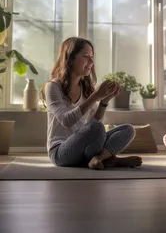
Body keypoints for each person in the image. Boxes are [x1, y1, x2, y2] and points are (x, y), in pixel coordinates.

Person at [42, 37, 142, 170]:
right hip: (60, 151)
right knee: (97, 128)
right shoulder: (53, 86)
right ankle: (109, 159)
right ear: (70, 58)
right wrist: (95, 97)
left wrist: (104, 101)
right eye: (86, 56)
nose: (91, 61)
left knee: (128, 129)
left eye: (92, 57)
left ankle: (99, 159)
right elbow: (66, 120)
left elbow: (93, 122)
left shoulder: (86, 88)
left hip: (86, 146)